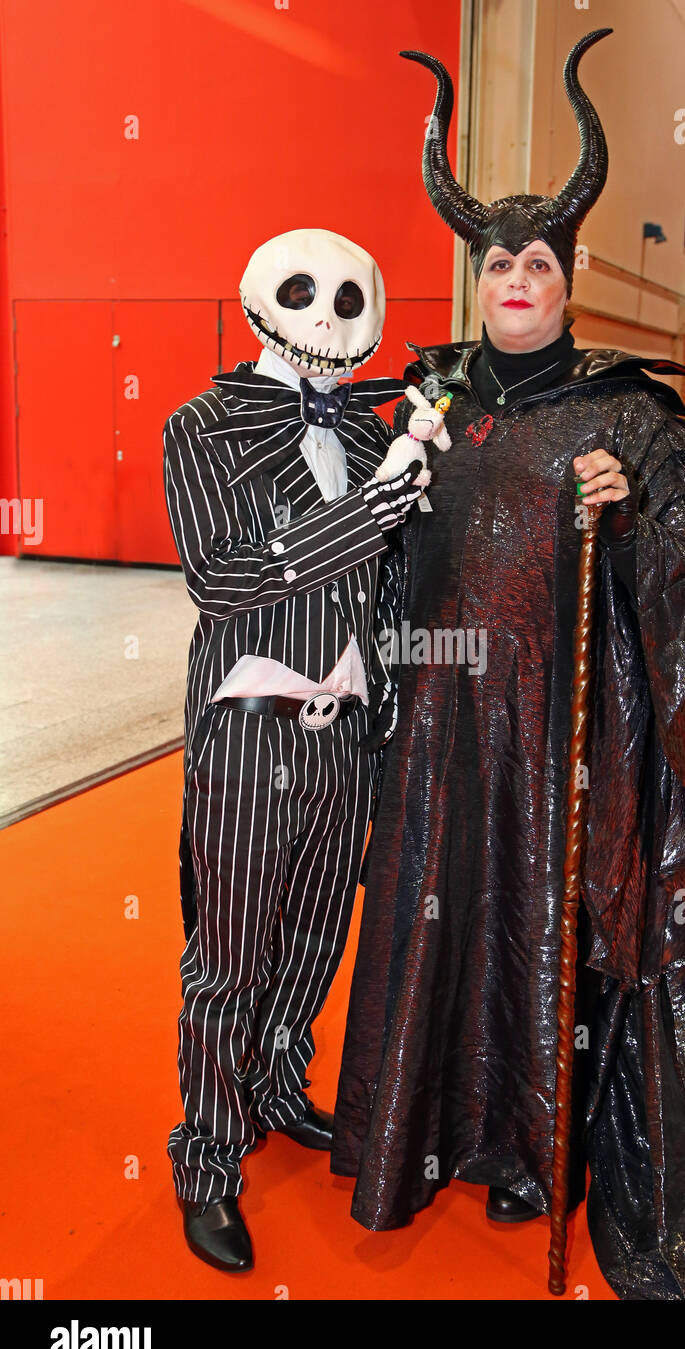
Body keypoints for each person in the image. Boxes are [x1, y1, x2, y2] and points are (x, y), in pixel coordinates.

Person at [331, 32, 685, 1299]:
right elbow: (366, 552)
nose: (513, 276)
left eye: (534, 260)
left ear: (564, 277)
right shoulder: (425, 398)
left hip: (556, 736)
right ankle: (419, 1129)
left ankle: (530, 1143)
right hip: (434, 730)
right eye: (493, 261)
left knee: (542, 926)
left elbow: (681, 602)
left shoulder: (627, 412)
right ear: (472, 280)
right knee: (430, 905)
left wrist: (632, 517)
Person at [162, 228, 427, 1272]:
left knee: (315, 940)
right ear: (254, 299)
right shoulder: (206, 425)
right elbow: (223, 577)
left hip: (344, 737)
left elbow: (395, 593)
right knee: (227, 958)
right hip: (245, 733)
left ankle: (276, 1087)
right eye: (303, 291)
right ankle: (207, 1161)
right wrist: (374, 508)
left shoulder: (373, 440)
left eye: (349, 297)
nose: (325, 314)